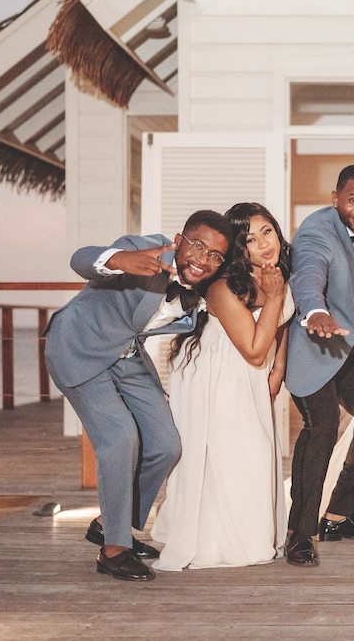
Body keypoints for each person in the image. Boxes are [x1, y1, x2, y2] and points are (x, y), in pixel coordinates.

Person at [43, 210, 231, 581]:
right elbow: (81, 258)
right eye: (197, 246)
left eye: (215, 255)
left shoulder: (203, 289)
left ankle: (110, 523)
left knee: (166, 445)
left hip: (126, 355)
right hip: (77, 347)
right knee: (120, 439)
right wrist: (117, 260)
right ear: (178, 241)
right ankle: (113, 550)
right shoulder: (143, 250)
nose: (203, 259)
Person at [152, 203, 293, 570]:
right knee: (229, 452)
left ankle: (248, 528)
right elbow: (253, 349)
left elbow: (281, 325)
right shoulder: (222, 287)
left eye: (268, 232)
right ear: (237, 250)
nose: (263, 244)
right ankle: (217, 538)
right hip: (217, 372)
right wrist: (275, 300)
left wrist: (280, 368)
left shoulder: (278, 274)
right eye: (250, 239)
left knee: (251, 451)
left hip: (252, 374)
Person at [285, 165, 354, 566]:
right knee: (322, 428)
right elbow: (308, 272)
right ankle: (300, 532)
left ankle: (341, 512)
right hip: (315, 346)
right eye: (353, 199)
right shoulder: (316, 231)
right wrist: (315, 311)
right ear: (335, 197)